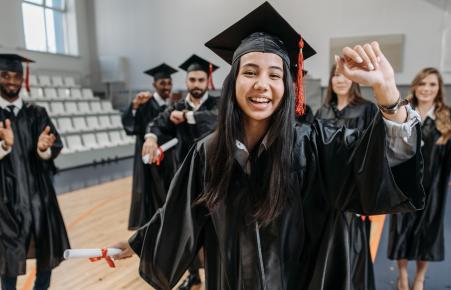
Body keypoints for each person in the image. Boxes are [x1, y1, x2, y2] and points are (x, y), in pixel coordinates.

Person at [112, 2, 424, 289]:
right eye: (250, 72)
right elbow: (181, 208)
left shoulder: (316, 146)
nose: (262, 84)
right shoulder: (209, 152)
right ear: (233, 82)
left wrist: (387, 92)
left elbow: (381, 161)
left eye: (275, 75)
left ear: (288, 87)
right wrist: (139, 242)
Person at [387, 67, 451, 290]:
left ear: (439, 89)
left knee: (428, 232)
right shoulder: (403, 112)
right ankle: (402, 275)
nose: (426, 88)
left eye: (432, 84)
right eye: (422, 84)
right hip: (403, 186)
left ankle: (419, 278)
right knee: (401, 231)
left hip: (434, 188)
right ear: (415, 86)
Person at [142, 55, 219, 290]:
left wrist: (189, 117)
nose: (196, 84)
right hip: (185, 179)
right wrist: (151, 138)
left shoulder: (217, 104)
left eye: (200, 79)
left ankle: (216, 279)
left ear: (208, 81)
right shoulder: (177, 106)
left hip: (215, 179)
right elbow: (156, 124)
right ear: (186, 81)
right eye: (192, 79)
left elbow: (217, 121)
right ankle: (193, 274)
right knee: (186, 230)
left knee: (215, 232)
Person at [0, 54, 70, 290]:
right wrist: (4, 146)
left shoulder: (37, 113)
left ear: (23, 78)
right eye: (5, 75)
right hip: (5, 201)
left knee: (46, 253)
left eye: (16, 76)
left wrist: (43, 149)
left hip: (40, 197)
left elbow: (54, 143)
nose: (11, 81)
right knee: (7, 260)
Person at [315, 64, 378, 290]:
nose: (340, 80)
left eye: (344, 75)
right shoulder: (323, 111)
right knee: (326, 245)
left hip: (353, 191)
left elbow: (373, 155)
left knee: (352, 244)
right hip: (325, 193)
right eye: (335, 75)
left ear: (354, 79)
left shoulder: (367, 109)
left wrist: (365, 194)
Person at [122, 63, 178, 230]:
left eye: (169, 83)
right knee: (150, 197)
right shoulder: (145, 104)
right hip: (148, 161)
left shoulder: (171, 106)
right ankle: (151, 231)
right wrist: (133, 106)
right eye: (162, 83)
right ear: (154, 85)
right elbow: (130, 127)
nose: (166, 87)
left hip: (167, 160)